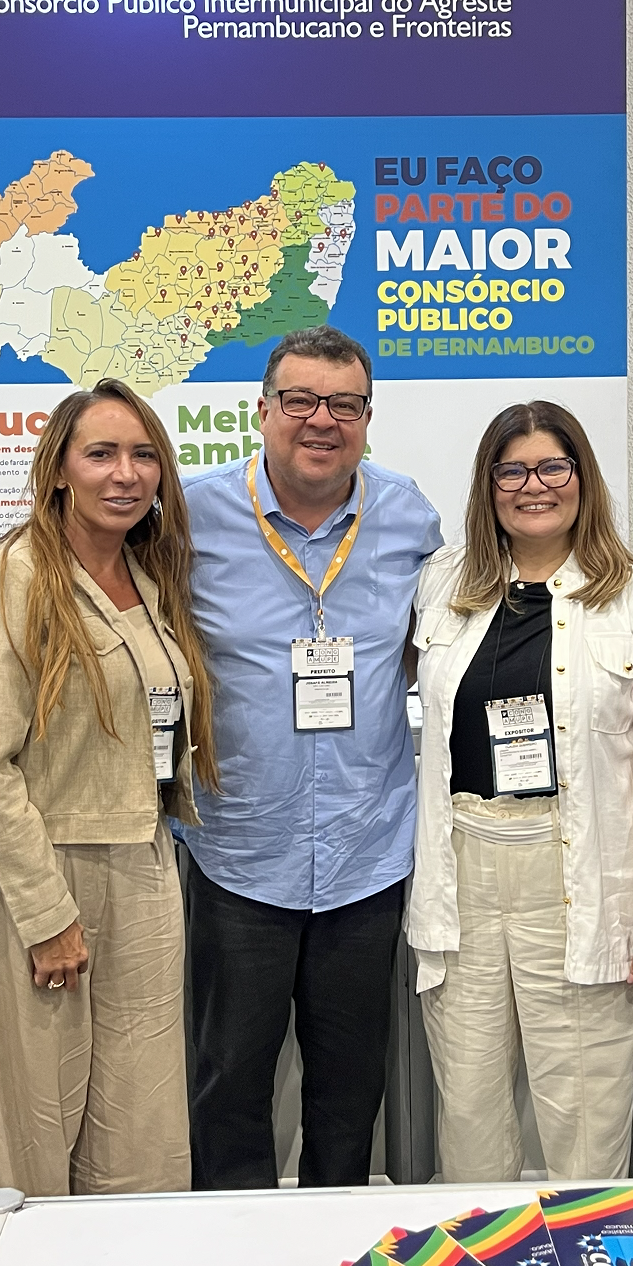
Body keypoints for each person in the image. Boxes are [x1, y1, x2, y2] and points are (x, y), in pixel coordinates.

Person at [0, 379, 216, 1266]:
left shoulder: (148, 578)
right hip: (36, 879)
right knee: (21, 1126)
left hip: (142, 862)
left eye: (143, 456)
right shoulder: (11, 579)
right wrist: (46, 914)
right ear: (57, 469)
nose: (125, 474)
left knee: (142, 1122)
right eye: (101, 454)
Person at [179, 325, 443, 1189]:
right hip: (238, 853)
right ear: (261, 410)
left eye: (345, 404)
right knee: (228, 1084)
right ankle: (236, 1245)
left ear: (367, 417)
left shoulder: (408, 516)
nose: (321, 420)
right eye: (300, 401)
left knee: (350, 1089)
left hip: (368, 854)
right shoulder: (191, 516)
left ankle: (334, 1249)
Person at [405, 401, 633, 1181]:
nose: (534, 486)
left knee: (585, 1128)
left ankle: (585, 1245)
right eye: (513, 471)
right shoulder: (442, 585)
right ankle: (485, 1247)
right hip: (462, 875)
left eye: (553, 467)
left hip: (578, 880)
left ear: (582, 477)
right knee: (468, 1120)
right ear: (489, 485)